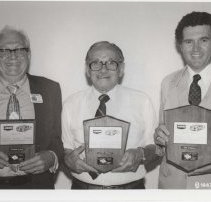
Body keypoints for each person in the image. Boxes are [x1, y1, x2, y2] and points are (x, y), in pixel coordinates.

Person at [62, 41, 158, 189]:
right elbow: (65, 148)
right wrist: (68, 159)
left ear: (121, 69)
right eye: (96, 63)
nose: (103, 70)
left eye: (111, 63)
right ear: (87, 70)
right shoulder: (70, 104)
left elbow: (156, 148)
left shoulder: (142, 101)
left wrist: (140, 153)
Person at [0, 26, 63, 189]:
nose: (12, 56)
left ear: (28, 55)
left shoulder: (50, 89)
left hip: (37, 186)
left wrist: (51, 157)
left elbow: (57, 139)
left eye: (19, 49)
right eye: (4, 51)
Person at [154, 11, 211, 189]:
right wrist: (158, 138)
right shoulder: (168, 83)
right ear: (179, 45)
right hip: (172, 185)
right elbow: (160, 144)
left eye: (203, 40)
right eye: (188, 42)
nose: (196, 49)